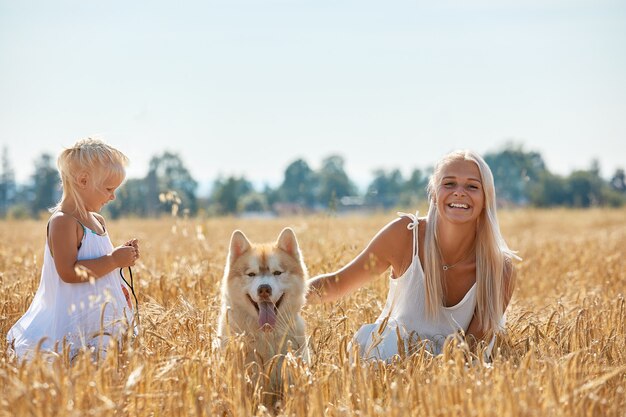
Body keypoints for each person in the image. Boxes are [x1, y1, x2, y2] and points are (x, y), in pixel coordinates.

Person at [307, 150, 518, 361]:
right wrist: (283, 297)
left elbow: (470, 353)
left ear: (485, 198)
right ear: (434, 192)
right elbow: (337, 284)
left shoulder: (500, 268)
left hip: (446, 377)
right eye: (449, 184)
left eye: (472, 186)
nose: (459, 192)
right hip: (382, 362)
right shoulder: (405, 236)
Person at [7, 138, 140, 361]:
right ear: (83, 180)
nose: (112, 196)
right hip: (73, 319)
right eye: (108, 189)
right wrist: (114, 260)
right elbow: (68, 272)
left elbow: (101, 263)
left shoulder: (97, 220)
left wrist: (120, 269)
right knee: (74, 366)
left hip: (100, 317)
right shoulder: (63, 222)